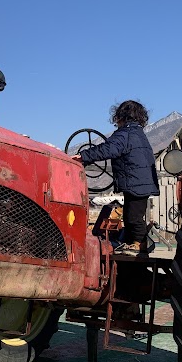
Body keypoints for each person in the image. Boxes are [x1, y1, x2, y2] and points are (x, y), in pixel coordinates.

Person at [73, 100, 159, 256]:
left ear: (121, 116)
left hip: (135, 182)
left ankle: (140, 244)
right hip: (140, 182)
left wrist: (84, 156)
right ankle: (131, 242)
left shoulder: (125, 134)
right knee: (130, 214)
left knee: (133, 217)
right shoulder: (138, 133)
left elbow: (108, 149)